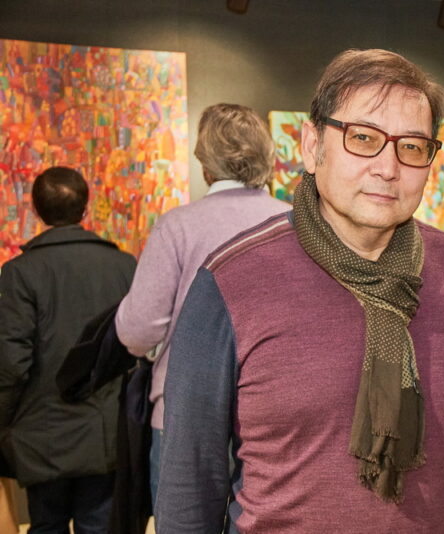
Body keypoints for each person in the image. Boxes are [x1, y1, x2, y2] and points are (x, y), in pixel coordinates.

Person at [155, 49, 444, 533]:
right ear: (312, 146)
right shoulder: (232, 280)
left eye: (412, 147)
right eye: (363, 138)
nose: (388, 167)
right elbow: (189, 484)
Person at [115, 102, 289, 506]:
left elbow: (137, 330)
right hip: (275, 415)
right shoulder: (293, 223)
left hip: (186, 412)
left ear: (205, 163)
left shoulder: (177, 226)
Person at [0, 166, 136, 533]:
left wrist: (4, 421)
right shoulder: (123, 266)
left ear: (36, 210)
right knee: (100, 526)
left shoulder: (20, 272)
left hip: (41, 435)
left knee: (47, 526)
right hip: (105, 433)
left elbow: (12, 361)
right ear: (85, 207)